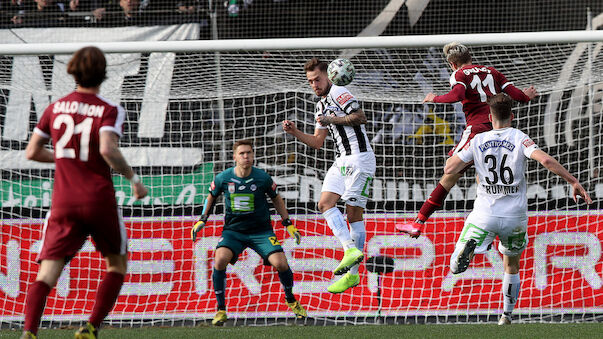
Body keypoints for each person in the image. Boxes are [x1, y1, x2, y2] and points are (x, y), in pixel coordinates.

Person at [20, 46, 148, 339]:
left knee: (47, 273)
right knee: (116, 263)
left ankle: (29, 332)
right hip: (98, 199)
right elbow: (106, 148)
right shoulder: (109, 109)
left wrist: (67, 156)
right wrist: (133, 178)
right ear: (103, 74)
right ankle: (90, 327)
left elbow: (32, 152)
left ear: (72, 71)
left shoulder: (54, 108)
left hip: (63, 201)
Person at [443, 93, 592, 325]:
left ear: (490, 117)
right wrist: (573, 181)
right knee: (511, 265)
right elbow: (546, 161)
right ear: (512, 116)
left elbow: (450, 167)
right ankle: (506, 315)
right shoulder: (519, 138)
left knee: (456, 265)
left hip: (485, 213)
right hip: (514, 216)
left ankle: (465, 254)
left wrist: (469, 152)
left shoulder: (478, 140)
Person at [396, 42, 539, 237]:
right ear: (470, 57)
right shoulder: (491, 71)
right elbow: (515, 94)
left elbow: (457, 95)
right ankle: (423, 222)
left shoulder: (459, 74)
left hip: (477, 131)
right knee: (479, 177)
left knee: (449, 171)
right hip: (498, 128)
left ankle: (421, 222)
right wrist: (525, 96)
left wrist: (434, 98)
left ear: (453, 64)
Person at [282, 57, 376, 294]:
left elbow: (360, 117)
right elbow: (317, 142)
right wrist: (295, 132)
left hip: (360, 159)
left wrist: (331, 119)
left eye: (317, 79)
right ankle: (349, 249)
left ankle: (352, 276)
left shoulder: (340, 92)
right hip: (342, 160)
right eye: (310, 82)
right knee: (324, 203)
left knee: (353, 213)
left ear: (329, 75)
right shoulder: (320, 105)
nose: (314, 85)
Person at [191, 139, 307, 326]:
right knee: (220, 259)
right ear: (235, 157)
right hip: (233, 232)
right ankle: (221, 310)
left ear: (253, 155)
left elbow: (277, 199)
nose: (246, 156)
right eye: (242, 153)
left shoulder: (262, 178)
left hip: (261, 231)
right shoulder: (223, 178)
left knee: (281, 263)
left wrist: (288, 223)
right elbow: (211, 197)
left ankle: (291, 299)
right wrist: (202, 219)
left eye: (249, 153)